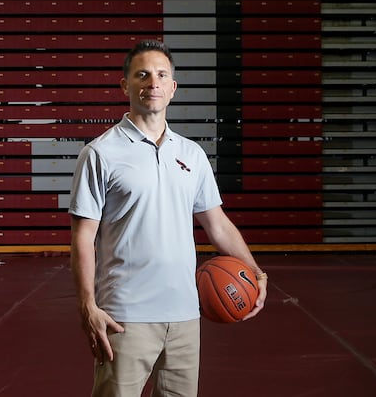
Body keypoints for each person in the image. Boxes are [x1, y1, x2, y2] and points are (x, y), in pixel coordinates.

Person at [68, 39, 268, 397]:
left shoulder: (191, 153)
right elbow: (83, 237)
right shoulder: (100, 152)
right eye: (141, 74)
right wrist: (87, 305)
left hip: (186, 314)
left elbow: (217, 224)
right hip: (125, 315)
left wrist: (255, 271)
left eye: (161, 75)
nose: (152, 82)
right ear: (124, 85)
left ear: (173, 88)